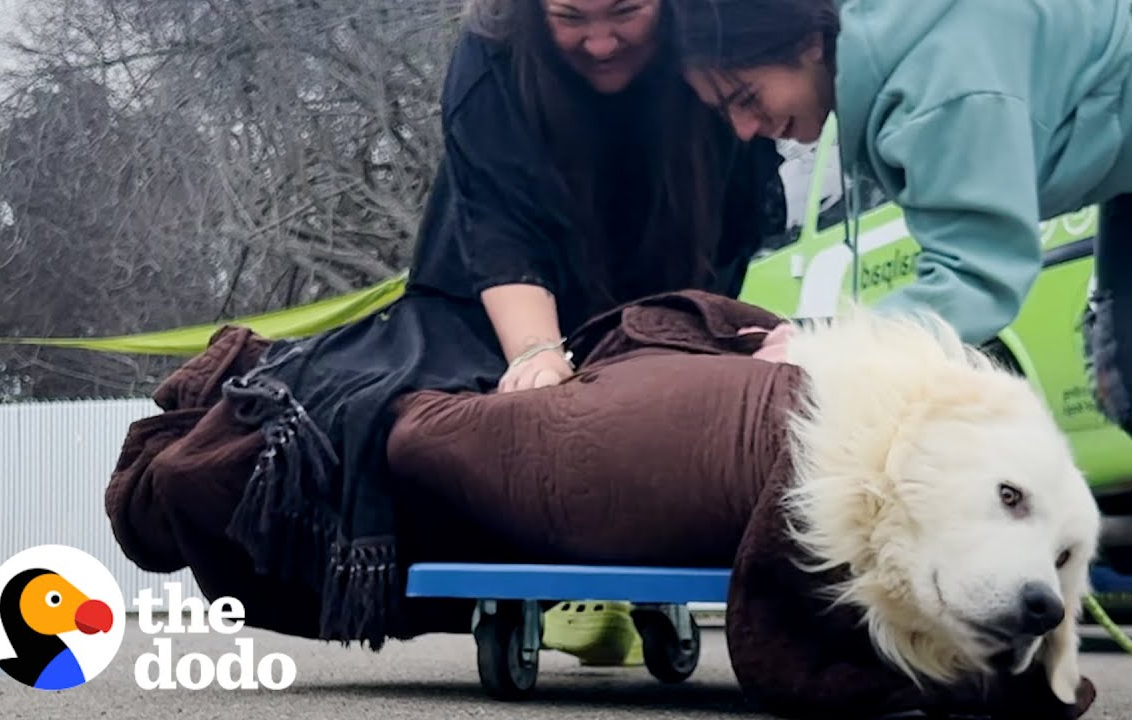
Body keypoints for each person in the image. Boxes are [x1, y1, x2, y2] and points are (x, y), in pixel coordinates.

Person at [215, 0, 786, 653]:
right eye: (570, 16)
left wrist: (683, 337)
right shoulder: (490, 54)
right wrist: (539, 354)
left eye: (626, 11)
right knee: (473, 399)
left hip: (660, 282)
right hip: (491, 292)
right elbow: (498, 227)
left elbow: (736, 228)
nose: (600, 42)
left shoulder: (722, 51)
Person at [665, 0, 1132, 568]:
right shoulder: (889, 71)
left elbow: (977, 277)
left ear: (808, 43)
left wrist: (825, 347)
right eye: (724, 112)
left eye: (745, 96)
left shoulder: (936, 82)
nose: (743, 130)